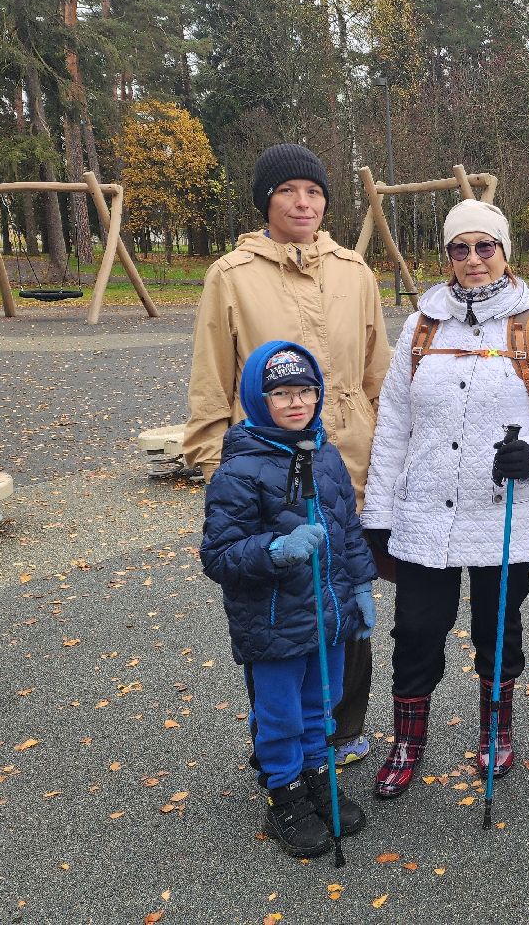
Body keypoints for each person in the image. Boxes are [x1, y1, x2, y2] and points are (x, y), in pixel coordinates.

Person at [361, 199, 529, 799]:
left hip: (503, 510)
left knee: (498, 627)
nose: (474, 259)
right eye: (461, 248)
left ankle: (495, 730)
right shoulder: (420, 325)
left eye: (486, 247)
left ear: (505, 252)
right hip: (425, 509)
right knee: (417, 629)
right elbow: (395, 425)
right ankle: (408, 739)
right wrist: (378, 514)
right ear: (448, 257)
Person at [184, 144, 389, 766]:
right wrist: (215, 463)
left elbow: (377, 371)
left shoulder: (355, 271)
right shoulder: (233, 275)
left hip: (349, 459)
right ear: (266, 202)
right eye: (287, 191)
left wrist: (386, 450)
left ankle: (339, 729)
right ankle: (276, 741)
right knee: (277, 609)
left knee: (348, 597)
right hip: (268, 471)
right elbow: (212, 374)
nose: (303, 202)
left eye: (314, 191)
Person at [200, 342, 374, 858]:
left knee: (322, 702)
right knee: (280, 713)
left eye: (306, 391)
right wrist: (274, 550)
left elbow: (347, 532)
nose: (297, 403)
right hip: (273, 623)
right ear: (259, 398)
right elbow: (219, 555)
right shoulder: (239, 470)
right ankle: (284, 790)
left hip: (329, 617)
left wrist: (360, 588)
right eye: (282, 394)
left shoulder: (325, 455)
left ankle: (317, 774)